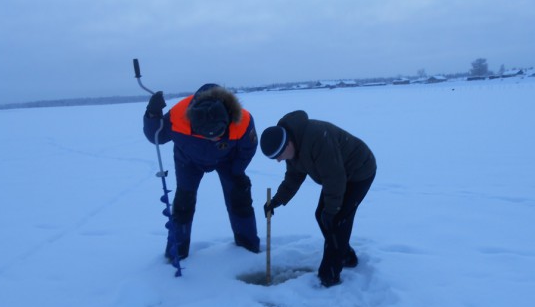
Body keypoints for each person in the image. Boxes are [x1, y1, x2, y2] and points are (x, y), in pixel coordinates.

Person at [143, 84, 260, 262]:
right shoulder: (178, 115)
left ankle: (247, 245)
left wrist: (236, 171)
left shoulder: (242, 120)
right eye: (206, 135)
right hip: (188, 159)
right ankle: (177, 251)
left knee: (239, 196)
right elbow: (156, 137)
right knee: (184, 202)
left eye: (217, 134)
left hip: (228, 159)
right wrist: (152, 114)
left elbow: (248, 148)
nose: (212, 139)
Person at [260, 110, 376, 287]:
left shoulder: (317, 139)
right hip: (338, 175)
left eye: (279, 156)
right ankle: (345, 256)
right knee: (322, 215)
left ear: (287, 144)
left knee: (337, 219)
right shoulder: (293, 147)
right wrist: (277, 200)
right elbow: (293, 178)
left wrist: (332, 211)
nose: (279, 161)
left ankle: (329, 276)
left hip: (359, 170)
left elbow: (334, 178)